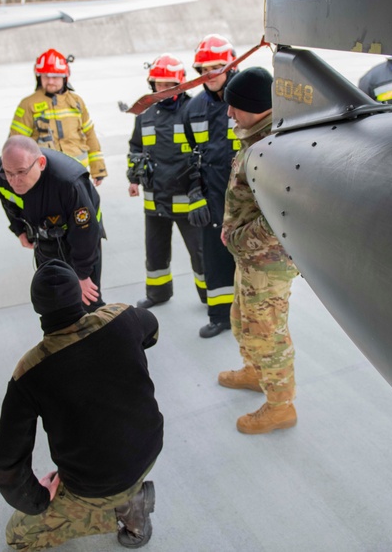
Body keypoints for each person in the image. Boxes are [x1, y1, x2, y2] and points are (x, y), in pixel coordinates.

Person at [0, 259, 163, 551]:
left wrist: (39, 499)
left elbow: (7, 466)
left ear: (37, 308)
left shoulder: (29, 372)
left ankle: (123, 510)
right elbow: (152, 330)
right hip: (149, 449)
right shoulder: (122, 318)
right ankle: (129, 495)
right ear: (79, 295)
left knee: (18, 536)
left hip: (95, 483)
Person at [218, 67, 300, 435]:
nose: (230, 114)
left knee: (266, 330)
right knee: (242, 319)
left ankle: (281, 406)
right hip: (251, 258)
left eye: (235, 106)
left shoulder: (273, 148)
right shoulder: (255, 136)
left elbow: (282, 218)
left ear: (255, 106)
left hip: (267, 261)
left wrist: (236, 239)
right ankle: (254, 372)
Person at [127, 54, 207, 310]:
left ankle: (211, 297)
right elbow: (135, 147)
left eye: (169, 84)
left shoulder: (194, 110)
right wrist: (133, 177)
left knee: (200, 253)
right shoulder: (144, 114)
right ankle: (158, 294)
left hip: (187, 198)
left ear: (180, 83)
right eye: (159, 84)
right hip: (154, 197)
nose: (164, 89)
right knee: (155, 252)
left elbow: (204, 150)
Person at [0, 136, 104, 310]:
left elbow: (86, 232)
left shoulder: (68, 183)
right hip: (44, 236)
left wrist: (82, 275)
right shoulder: (0, 176)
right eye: (9, 173)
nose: (14, 180)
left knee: (85, 303)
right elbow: (9, 204)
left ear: (41, 163)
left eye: (21, 172)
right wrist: (19, 229)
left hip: (79, 238)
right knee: (52, 300)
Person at [185, 34, 240, 338]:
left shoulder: (248, 97)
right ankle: (220, 316)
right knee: (215, 256)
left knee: (248, 254)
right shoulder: (192, 109)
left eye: (218, 67)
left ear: (231, 66)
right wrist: (194, 195)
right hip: (211, 194)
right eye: (206, 69)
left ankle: (250, 314)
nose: (212, 74)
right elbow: (187, 157)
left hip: (245, 193)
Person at [9, 48, 107, 185]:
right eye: (45, 77)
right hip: (44, 175)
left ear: (65, 77)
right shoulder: (28, 104)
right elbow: (16, 144)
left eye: (55, 77)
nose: (50, 81)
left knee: (80, 207)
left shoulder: (77, 102)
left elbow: (90, 135)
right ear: (39, 77)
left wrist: (98, 169)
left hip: (78, 173)